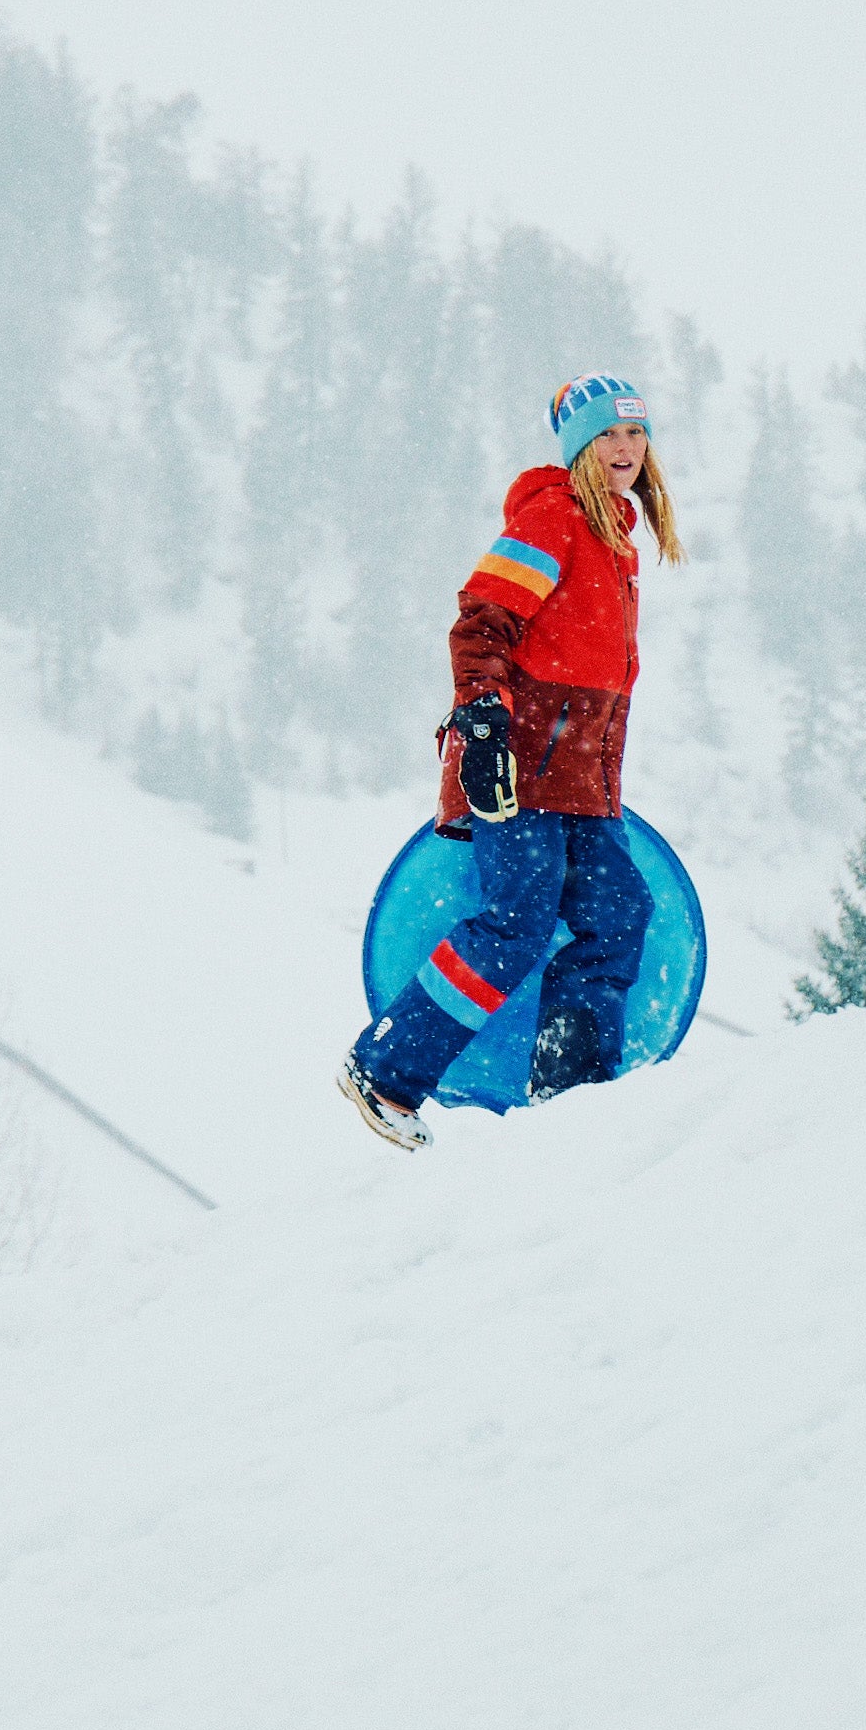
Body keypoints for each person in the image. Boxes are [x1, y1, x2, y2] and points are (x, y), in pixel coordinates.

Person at [337, 374, 683, 1149]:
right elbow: (481, 624)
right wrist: (484, 726)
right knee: (515, 925)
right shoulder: (554, 517)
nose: (624, 449)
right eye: (607, 436)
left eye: (635, 434)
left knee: (617, 913)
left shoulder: (617, 539)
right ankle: (383, 1071)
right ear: (579, 449)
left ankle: (572, 1102)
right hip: (521, 766)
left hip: (582, 780)